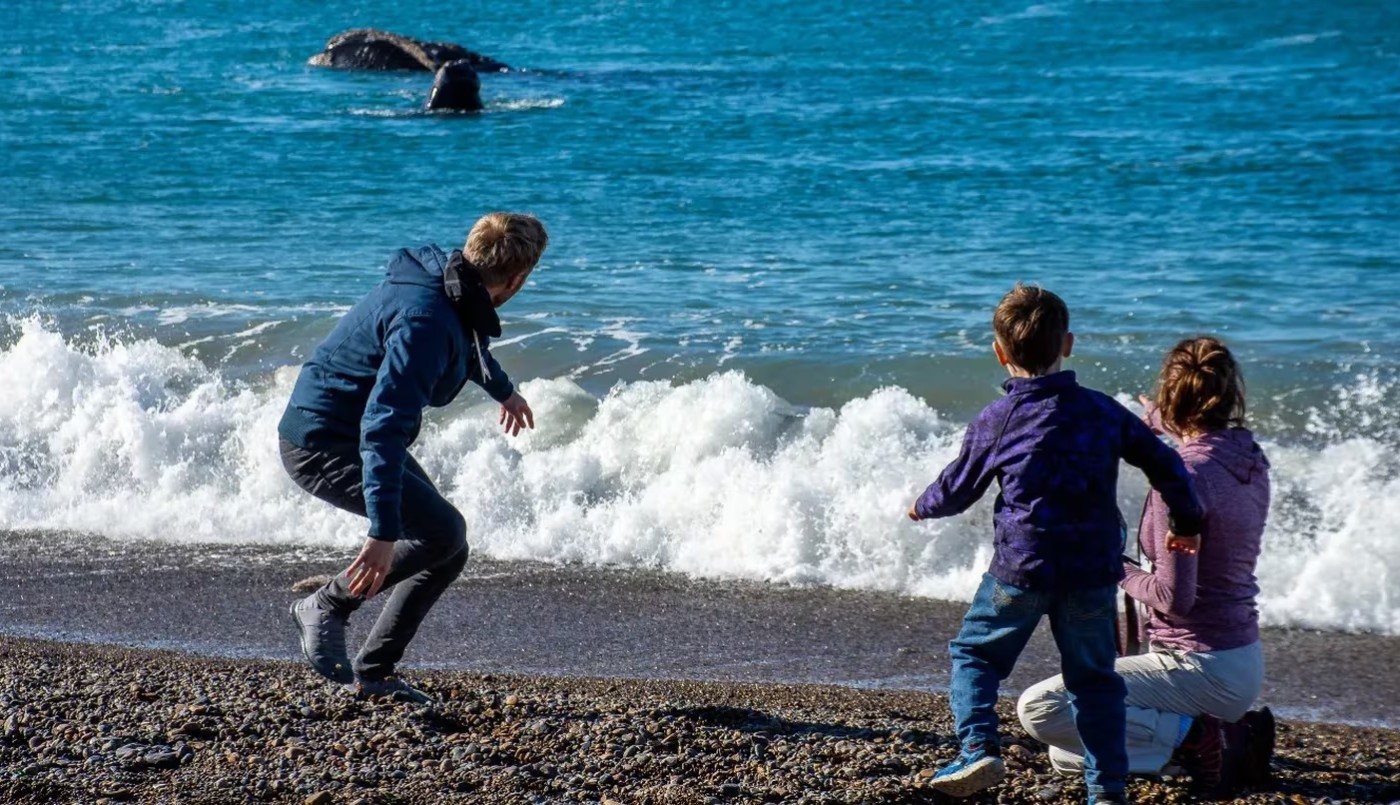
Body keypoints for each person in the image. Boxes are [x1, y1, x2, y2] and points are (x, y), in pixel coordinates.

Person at [908, 284, 1204, 804]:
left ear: (1000, 352)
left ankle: (978, 747)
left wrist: (921, 505)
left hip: (1020, 569)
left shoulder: (997, 420)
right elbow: (1165, 463)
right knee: (1094, 683)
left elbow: (958, 488)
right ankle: (1107, 790)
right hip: (1091, 572)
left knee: (975, 656)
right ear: (1067, 343)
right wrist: (1186, 520)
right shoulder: (1102, 411)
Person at [279, 212, 548, 703]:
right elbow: (382, 425)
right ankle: (324, 606)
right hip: (321, 442)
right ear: (516, 279)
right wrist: (382, 534)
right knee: (441, 532)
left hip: (347, 431)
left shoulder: (451, 283)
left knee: (449, 543)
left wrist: (504, 391)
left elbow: (470, 345)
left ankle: (375, 673)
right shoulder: (427, 321)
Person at [1017, 336, 1274, 794]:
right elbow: (1203, 454)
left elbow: (1174, 599)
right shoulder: (1248, 459)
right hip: (1242, 663)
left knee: (1040, 710)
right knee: (1069, 755)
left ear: (1172, 396)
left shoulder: (1181, 478)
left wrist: (1113, 565)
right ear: (1229, 394)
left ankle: (1201, 736)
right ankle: (1227, 740)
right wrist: (1160, 422)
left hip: (1198, 667)